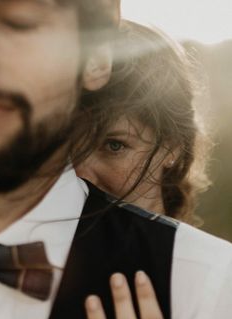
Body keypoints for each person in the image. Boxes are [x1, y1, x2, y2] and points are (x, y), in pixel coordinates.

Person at [0, 3, 231, 319]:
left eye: (114, 146)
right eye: (69, 150)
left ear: (174, 150)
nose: (82, 172)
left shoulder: (210, 292)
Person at [76, 21, 211, 224]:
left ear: (172, 145)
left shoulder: (206, 256)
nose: (79, 174)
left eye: (114, 146)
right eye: (63, 147)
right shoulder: (27, 250)